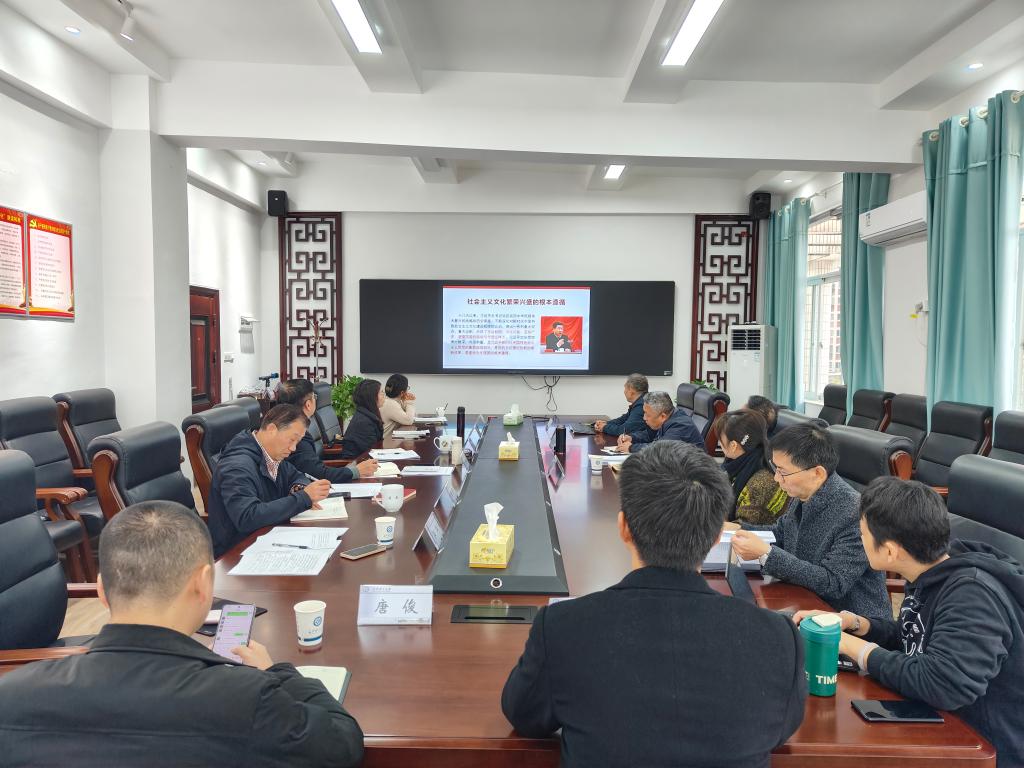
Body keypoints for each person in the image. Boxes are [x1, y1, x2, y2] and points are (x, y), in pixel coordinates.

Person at [501, 441, 806, 768]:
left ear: (623, 528)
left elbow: (524, 716)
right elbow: (780, 730)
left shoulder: (561, 627)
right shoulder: (778, 638)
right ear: (718, 536)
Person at [0, 501, 364, 767]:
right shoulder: (248, 699)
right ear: (204, 584)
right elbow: (343, 743)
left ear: (100, 590)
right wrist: (277, 672)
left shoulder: (12, 697)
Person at [795, 477, 1024, 767]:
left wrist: (848, 645)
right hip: (942, 725)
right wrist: (857, 625)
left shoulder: (973, 597)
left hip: (981, 748)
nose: (859, 539)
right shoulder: (932, 569)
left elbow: (942, 684)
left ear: (891, 551)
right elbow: (916, 636)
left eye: (862, 534)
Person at [731, 423, 889, 616]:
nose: (776, 479)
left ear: (817, 473)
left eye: (783, 472)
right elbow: (781, 532)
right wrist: (736, 529)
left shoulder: (855, 515)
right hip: (803, 600)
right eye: (775, 468)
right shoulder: (804, 493)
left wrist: (766, 554)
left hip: (847, 620)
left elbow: (833, 583)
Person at [206, 404, 331, 558]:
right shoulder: (236, 467)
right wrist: (303, 498)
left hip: (267, 538)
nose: (293, 448)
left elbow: (295, 475)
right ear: (272, 429)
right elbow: (247, 517)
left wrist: (298, 488)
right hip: (237, 553)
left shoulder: (270, 453)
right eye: (292, 439)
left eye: (297, 442)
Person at [275, 379, 378, 482]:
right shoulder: (297, 438)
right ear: (308, 405)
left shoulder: (282, 427)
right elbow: (318, 474)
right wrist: (355, 471)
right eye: (314, 397)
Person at [715, 410, 788, 524]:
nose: (719, 443)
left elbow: (743, 526)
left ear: (733, 446)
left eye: (720, 439)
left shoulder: (762, 482)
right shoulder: (740, 462)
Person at [616, 391, 703, 453]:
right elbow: (649, 435)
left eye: (647, 414)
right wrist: (632, 438)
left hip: (691, 472)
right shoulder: (667, 418)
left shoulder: (681, 425)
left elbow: (660, 449)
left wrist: (631, 448)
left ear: (662, 416)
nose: (644, 418)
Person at [340, 378, 385, 459]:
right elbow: (371, 452)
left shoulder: (366, 414)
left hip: (367, 460)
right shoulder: (364, 422)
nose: (384, 396)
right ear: (372, 397)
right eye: (381, 393)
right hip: (357, 463)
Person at [595, 373, 649, 438]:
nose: (624, 392)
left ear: (631, 390)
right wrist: (605, 423)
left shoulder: (642, 405)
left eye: (625, 388)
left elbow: (624, 431)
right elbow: (622, 420)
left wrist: (604, 427)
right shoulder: (641, 401)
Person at [380, 373, 417, 439]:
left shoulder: (391, 401)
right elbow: (409, 420)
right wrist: (409, 403)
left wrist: (404, 402)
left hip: (390, 440)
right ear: (402, 393)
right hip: (385, 442)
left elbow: (411, 416)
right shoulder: (390, 403)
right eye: (407, 388)